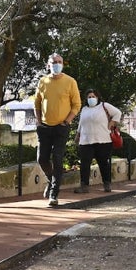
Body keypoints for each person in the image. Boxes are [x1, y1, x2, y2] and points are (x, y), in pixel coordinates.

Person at [34, 53, 82, 207]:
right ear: (48, 65)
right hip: (45, 127)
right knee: (42, 159)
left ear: (63, 64)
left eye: (59, 62)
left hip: (61, 127)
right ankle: (50, 178)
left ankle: (54, 193)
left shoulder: (70, 82)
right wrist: (39, 121)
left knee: (57, 158)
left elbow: (76, 104)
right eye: (54, 62)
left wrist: (67, 121)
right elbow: (37, 103)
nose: (56, 64)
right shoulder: (43, 81)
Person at [74, 88, 122, 194]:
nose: (91, 99)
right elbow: (81, 123)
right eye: (89, 97)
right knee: (85, 164)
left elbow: (118, 113)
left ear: (97, 97)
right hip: (86, 141)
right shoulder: (84, 109)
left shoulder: (104, 106)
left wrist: (113, 122)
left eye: (93, 96)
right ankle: (84, 185)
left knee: (103, 163)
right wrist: (77, 135)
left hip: (103, 140)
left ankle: (107, 184)